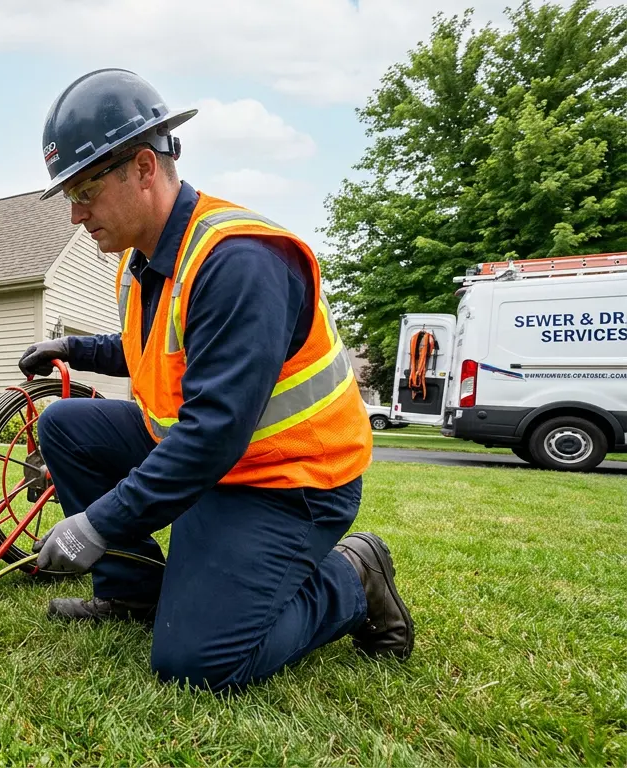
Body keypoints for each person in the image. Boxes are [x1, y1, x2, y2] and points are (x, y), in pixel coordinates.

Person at [20, 69, 413, 693]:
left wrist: (96, 524)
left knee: (197, 663)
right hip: (217, 459)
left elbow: (213, 432)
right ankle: (134, 594)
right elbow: (153, 349)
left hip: (286, 480)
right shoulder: (143, 258)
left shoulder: (239, 262)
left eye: (85, 189)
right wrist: (73, 347)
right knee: (66, 424)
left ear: (144, 167)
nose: (75, 214)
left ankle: (353, 576)